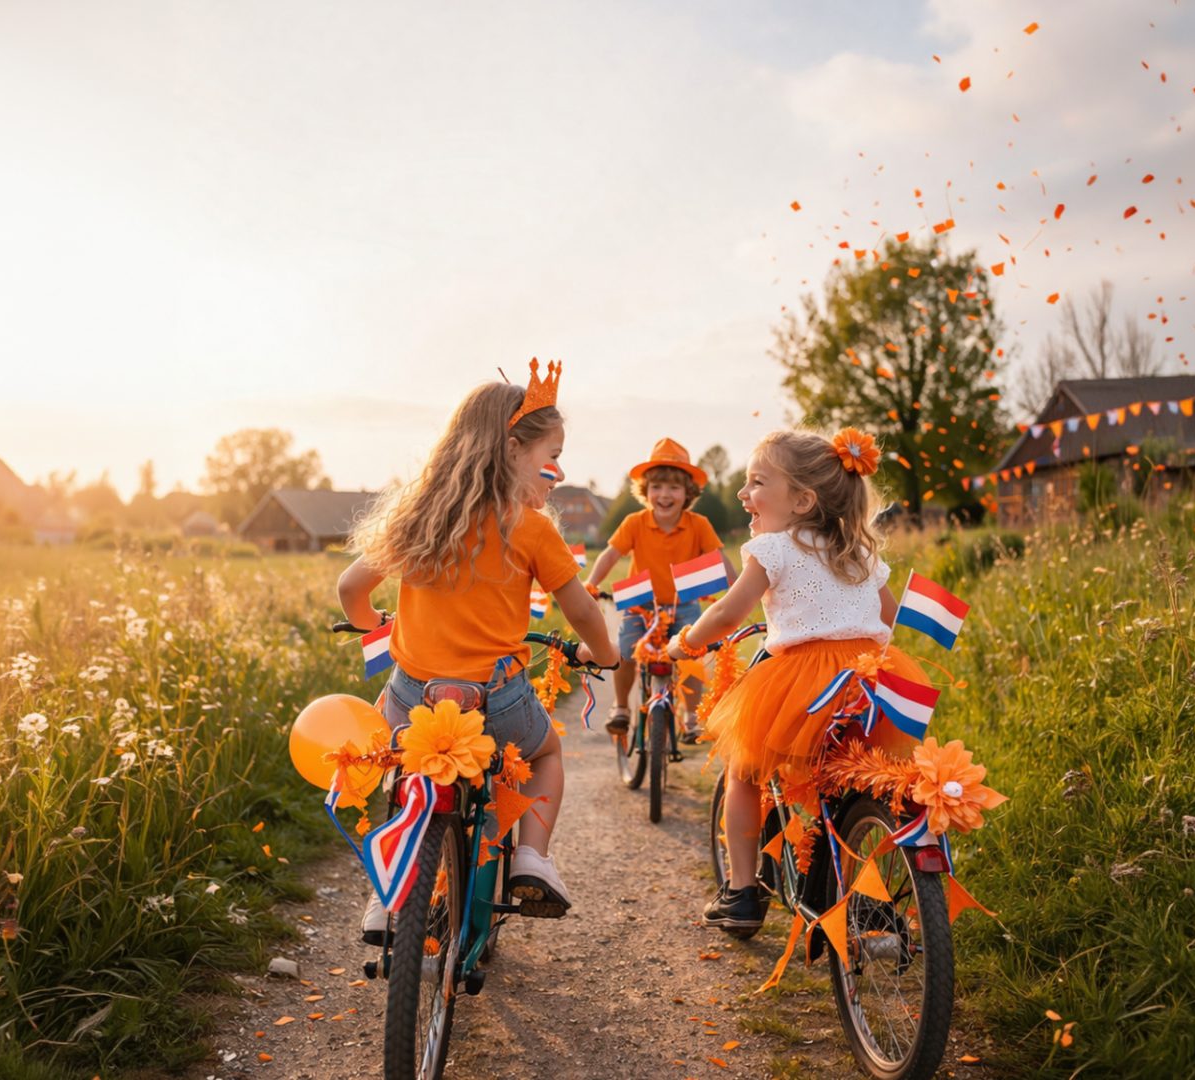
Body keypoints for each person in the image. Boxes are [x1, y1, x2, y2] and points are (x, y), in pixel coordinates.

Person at [338, 360, 619, 941]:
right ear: (514, 448)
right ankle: (531, 859)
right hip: (496, 697)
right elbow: (582, 609)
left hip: (413, 695)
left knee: (404, 776)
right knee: (543, 757)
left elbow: (350, 588)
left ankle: (385, 895)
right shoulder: (532, 526)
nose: (556, 469)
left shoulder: (419, 514)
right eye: (551, 455)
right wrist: (606, 655)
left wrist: (373, 623)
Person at [668, 428, 930, 933]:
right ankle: (855, 878)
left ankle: (743, 893)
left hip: (802, 681)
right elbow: (890, 620)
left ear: (802, 500)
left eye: (757, 482)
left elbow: (726, 614)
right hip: (869, 680)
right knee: (849, 778)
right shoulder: (861, 552)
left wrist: (687, 643)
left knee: (743, 772)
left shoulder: (774, 548)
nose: (744, 495)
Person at [583, 438, 734, 742]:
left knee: (691, 654)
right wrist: (593, 583)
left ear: (688, 493)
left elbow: (720, 561)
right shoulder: (635, 522)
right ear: (646, 491)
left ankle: (691, 717)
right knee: (625, 652)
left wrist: (736, 593)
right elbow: (610, 555)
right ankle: (622, 707)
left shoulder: (698, 524)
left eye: (674, 488)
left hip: (683, 606)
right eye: (657, 487)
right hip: (640, 604)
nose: (664, 495)